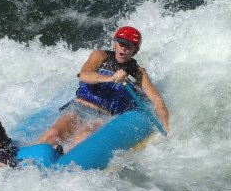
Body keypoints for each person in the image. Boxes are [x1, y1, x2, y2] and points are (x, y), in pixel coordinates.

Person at [37, 26, 170, 151]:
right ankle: (24, 160)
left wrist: (166, 129)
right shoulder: (100, 56)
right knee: (53, 134)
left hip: (102, 116)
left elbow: (157, 101)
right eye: (121, 44)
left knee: (82, 138)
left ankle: (62, 164)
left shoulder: (138, 73)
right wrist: (111, 78)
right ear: (115, 44)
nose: (123, 49)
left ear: (135, 51)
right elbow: (84, 75)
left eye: (128, 47)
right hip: (79, 107)